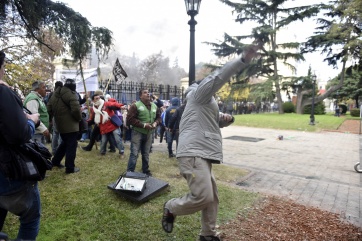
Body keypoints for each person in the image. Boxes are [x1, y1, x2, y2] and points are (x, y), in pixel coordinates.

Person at [162, 46, 259, 241]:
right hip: (193, 152)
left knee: (212, 198)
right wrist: (242, 59)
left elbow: (213, 123)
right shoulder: (199, 95)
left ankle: (208, 235)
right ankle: (171, 207)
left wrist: (226, 120)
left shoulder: (205, 105)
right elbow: (218, 77)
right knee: (203, 196)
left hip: (203, 153)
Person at [0, 50, 42, 241]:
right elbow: (20, 134)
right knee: (31, 218)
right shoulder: (2, 92)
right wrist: (32, 120)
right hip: (7, 172)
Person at [47, 78, 82, 174]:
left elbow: (49, 108)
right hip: (71, 125)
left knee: (64, 144)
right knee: (71, 146)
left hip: (59, 124)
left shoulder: (55, 94)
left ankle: (55, 161)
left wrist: (53, 118)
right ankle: (70, 168)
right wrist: (79, 118)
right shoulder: (71, 94)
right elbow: (75, 110)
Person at [126, 89, 161, 176]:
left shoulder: (154, 106)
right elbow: (130, 119)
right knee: (134, 153)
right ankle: (130, 172)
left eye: (148, 92)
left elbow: (159, 117)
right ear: (140, 96)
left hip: (149, 133)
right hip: (137, 132)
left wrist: (156, 122)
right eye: (145, 92)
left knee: (146, 153)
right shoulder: (135, 106)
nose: (148, 94)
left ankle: (145, 170)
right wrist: (143, 125)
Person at [48, 81, 63, 155]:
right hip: (62, 116)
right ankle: (60, 151)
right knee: (61, 133)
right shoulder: (63, 94)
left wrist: (50, 118)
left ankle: (54, 150)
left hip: (54, 115)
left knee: (55, 133)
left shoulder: (51, 94)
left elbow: (49, 106)